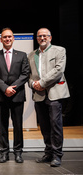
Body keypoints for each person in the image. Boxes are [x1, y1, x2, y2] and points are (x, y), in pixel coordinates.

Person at [28, 28, 70, 167]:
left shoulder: (59, 50)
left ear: (50, 38)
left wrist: (42, 83)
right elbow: (28, 76)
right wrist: (33, 84)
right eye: (39, 36)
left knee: (55, 125)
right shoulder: (31, 55)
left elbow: (58, 70)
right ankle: (49, 152)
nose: (42, 38)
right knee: (45, 127)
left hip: (54, 94)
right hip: (39, 94)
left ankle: (57, 155)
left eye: (45, 36)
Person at [0, 28, 30, 163]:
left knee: (18, 125)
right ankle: (4, 152)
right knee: (2, 125)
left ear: (13, 38)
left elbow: (25, 74)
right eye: (4, 37)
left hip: (17, 95)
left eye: (9, 37)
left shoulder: (22, 55)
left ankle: (18, 152)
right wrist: (5, 88)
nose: (7, 39)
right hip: (1, 95)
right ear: (0, 39)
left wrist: (13, 87)